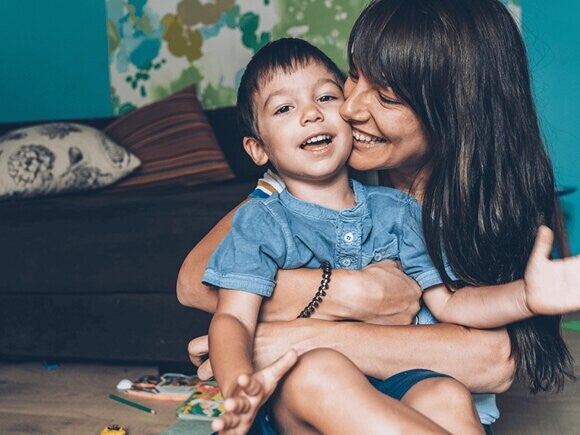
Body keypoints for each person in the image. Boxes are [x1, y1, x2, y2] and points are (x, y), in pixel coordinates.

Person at [178, 0, 579, 432]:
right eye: (353, 74)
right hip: (312, 394)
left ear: (456, 110)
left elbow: (493, 358)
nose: (349, 108)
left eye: (386, 95)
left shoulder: (435, 206)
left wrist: (298, 335)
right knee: (322, 374)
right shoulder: (311, 181)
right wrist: (353, 292)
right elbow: (195, 281)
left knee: (446, 396)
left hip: (415, 390)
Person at [206, 37, 492, 434]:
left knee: (446, 393)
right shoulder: (259, 221)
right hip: (300, 395)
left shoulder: (396, 209)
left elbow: (451, 304)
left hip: (394, 381)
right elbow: (231, 317)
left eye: (325, 98)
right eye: (285, 108)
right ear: (258, 149)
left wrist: (527, 295)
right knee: (323, 369)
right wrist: (239, 384)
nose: (310, 115)